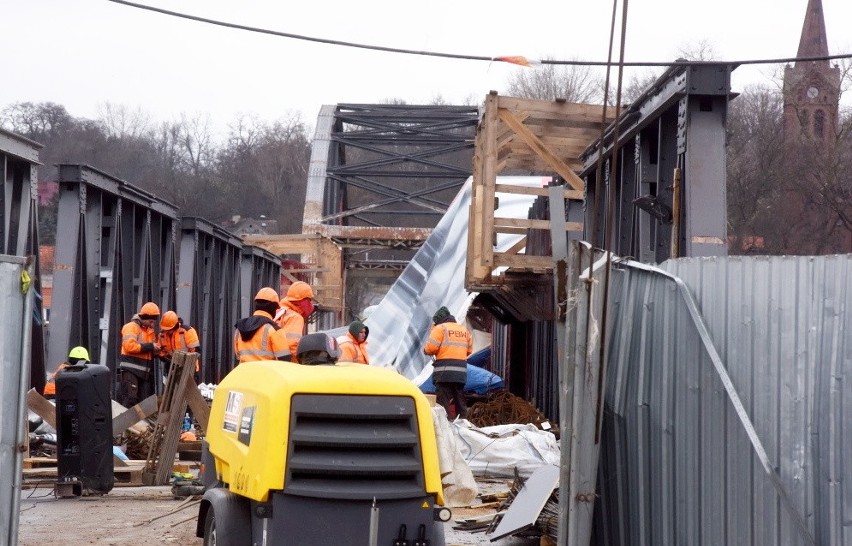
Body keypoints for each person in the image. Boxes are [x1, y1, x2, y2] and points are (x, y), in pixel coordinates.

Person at [423, 306, 472, 419]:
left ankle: (446, 423)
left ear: (439, 319)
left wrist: (425, 350)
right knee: (459, 398)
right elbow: (469, 350)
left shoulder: (440, 328)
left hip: (444, 372)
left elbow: (430, 349)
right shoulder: (463, 330)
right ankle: (463, 423)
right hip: (460, 372)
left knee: (443, 402)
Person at [117, 301, 161, 407]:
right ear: (144, 318)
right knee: (130, 399)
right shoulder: (131, 327)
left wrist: (156, 351)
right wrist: (151, 346)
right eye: (150, 321)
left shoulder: (149, 331)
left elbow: (147, 351)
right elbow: (129, 346)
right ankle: (125, 423)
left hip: (143, 373)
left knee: (142, 404)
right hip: (131, 370)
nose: (152, 324)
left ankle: (138, 424)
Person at [233, 287, 290, 364]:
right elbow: (285, 360)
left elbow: (238, 355)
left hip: (244, 373)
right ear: (273, 308)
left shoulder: (239, 328)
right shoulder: (275, 330)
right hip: (266, 374)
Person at [273, 281, 316, 362]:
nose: (311, 304)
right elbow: (292, 345)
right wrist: (300, 363)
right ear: (302, 301)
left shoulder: (278, 311)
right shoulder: (295, 317)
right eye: (309, 300)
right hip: (286, 365)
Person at [158, 310, 201, 376]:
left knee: (189, 386)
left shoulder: (187, 331)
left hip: (189, 368)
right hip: (172, 368)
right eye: (165, 329)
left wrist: (186, 361)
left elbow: (196, 351)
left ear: (174, 326)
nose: (166, 332)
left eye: (168, 329)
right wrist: (162, 356)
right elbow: (161, 352)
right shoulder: (162, 335)